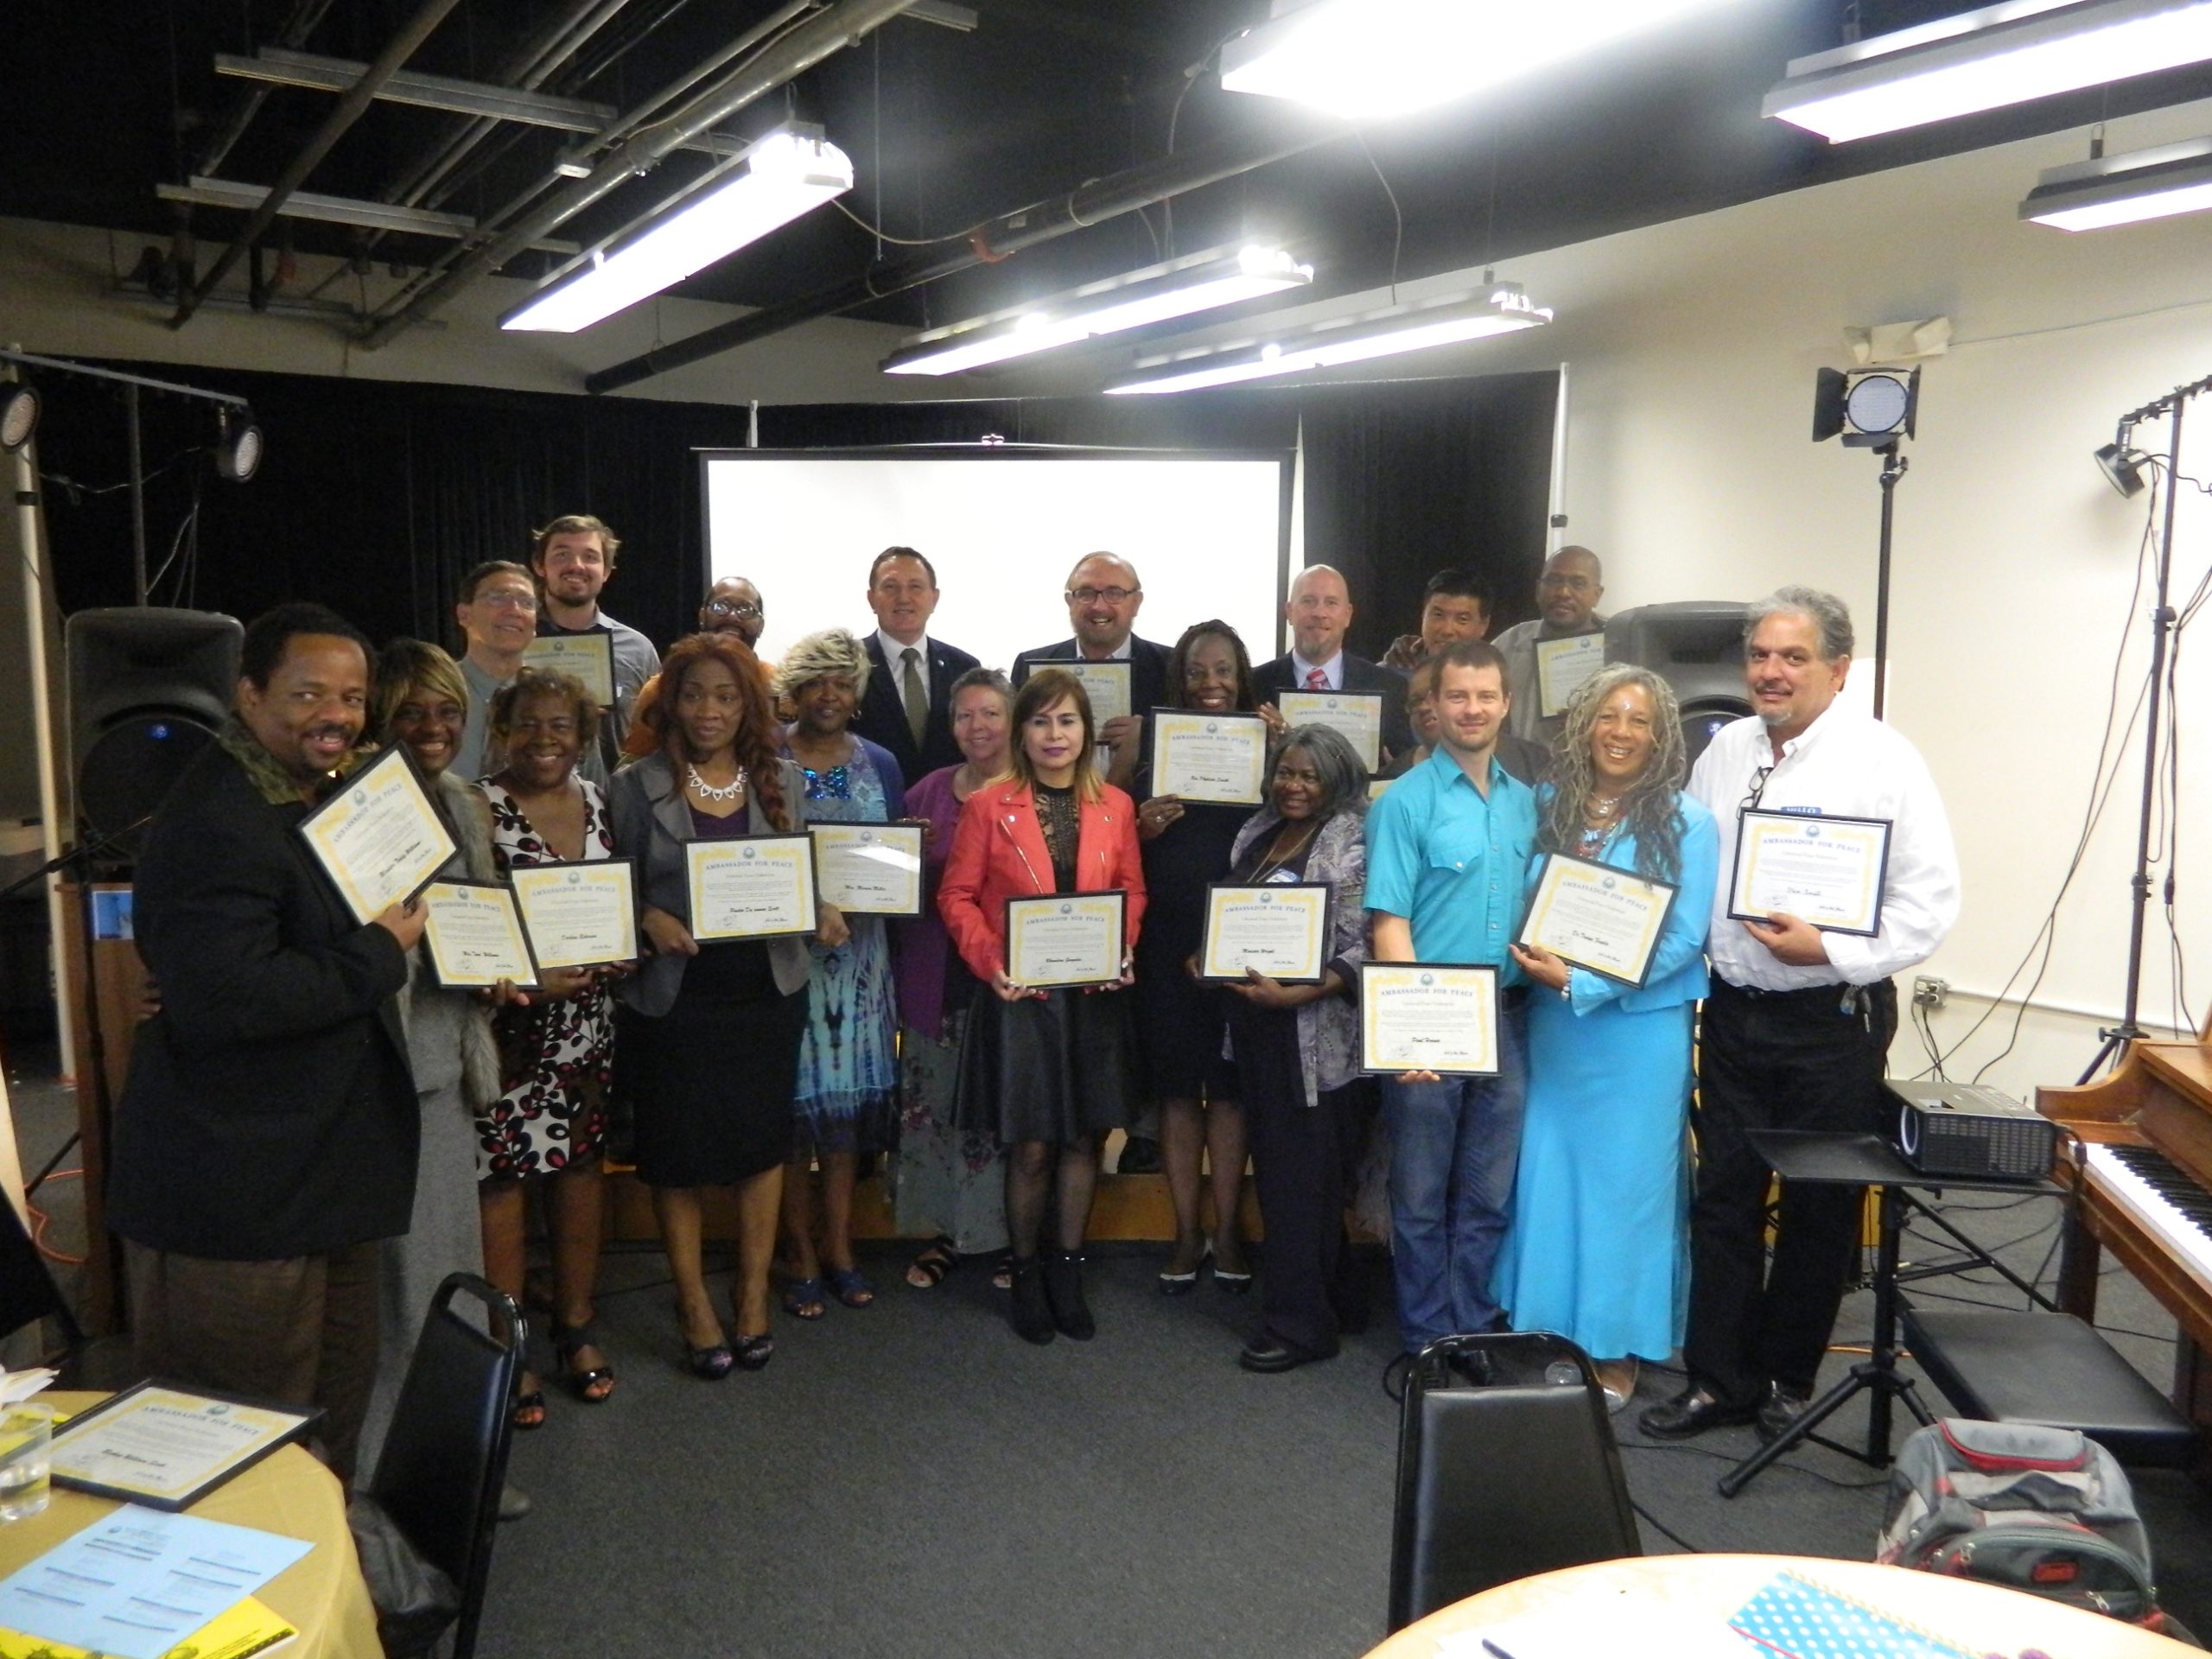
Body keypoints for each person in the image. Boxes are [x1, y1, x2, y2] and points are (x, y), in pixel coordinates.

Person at [109, 602, 421, 1484]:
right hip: (238, 1192)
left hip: (323, 1173)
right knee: (235, 1443)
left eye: (352, 697)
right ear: (248, 695)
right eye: (308, 694)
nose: (336, 715)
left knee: (328, 1418)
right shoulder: (217, 816)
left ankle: (333, 1562)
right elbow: (236, 998)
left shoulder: (313, 797)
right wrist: (380, 950)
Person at [1641, 586, 1959, 1442]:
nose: (1771, 673)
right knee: (1724, 1196)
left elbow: (1928, 905)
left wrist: (1830, 949)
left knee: (1819, 1204)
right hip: (1734, 1013)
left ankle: (1787, 1376)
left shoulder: (1884, 762)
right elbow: (1690, 868)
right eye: (1759, 656)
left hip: (1832, 1018)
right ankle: (1717, 1379)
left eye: (1793, 657)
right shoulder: (1724, 750)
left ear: (1838, 670)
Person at [610, 632, 848, 1376]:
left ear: (748, 705)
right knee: (675, 1154)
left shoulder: (783, 778)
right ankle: (693, 1303)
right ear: (670, 703)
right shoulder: (632, 784)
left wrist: (821, 907)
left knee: (760, 1147)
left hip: (765, 991)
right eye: (693, 695)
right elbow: (613, 886)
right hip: (674, 996)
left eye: (725, 695)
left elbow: (794, 873)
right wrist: (648, 917)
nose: (708, 710)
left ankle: (750, 1296)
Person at [1494, 665, 1720, 1411]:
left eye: (1640, 721)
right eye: (1609, 716)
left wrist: (1582, 982)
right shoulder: (1549, 804)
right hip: (1556, 1030)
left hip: (1636, 1037)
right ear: (1585, 723)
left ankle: (1616, 1346)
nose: (1621, 733)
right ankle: (1553, 1328)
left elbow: (1683, 938)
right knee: (1551, 1175)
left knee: (1628, 1191)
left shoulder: (1689, 822)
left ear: (1661, 737)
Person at [940, 669, 1146, 1344]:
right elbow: (956, 897)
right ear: (1021, 732)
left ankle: (1068, 1271)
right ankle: (1026, 1271)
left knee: (1086, 1138)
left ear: (1087, 731)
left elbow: (1131, 890)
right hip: (1021, 996)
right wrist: (990, 962)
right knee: (1031, 1147)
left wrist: (1121, 946)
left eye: (1067, 721)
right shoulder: (987, 807)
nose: (1055, 735)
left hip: (1092, 996)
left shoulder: (1116, 805)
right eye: (1040, 721)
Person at [1363, 639, 1539, 1362]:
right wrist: (1410, 1036)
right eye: (1457, 695)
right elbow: (1389, 923)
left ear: (1506, 704)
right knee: (1421, 1193)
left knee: (1488, 1193)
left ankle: (1472, 1324)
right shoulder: (1404, 802)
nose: (1472, 709)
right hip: (1431, 1019)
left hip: (1509, 1020)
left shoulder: (1527, 804)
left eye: (1485, 696)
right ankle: (1428, 1338)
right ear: (1434, 705)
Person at [358, 640, 505, 1466]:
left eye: (448, 711)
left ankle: (451, 1472)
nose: (433, 728)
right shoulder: (357, 812)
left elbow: (472, 929)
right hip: (388, 1075)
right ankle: (385, 1484)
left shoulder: (460, 803)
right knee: (400, 1298)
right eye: (410, 713)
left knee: (454, 1277)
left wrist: (499, 972)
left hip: (447, 1066)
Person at [477, 668, 626, 1423]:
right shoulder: (476, 806)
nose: (545, 738)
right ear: (503, 731)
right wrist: (525, 976)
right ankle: (509, 1349)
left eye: (560, 725)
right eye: (528, 723)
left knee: (580, 1171)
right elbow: (461, 920)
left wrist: (622, 946)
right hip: (509, 1030)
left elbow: (615, 901)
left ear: (582, 735)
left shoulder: (598, 800)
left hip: (587, 1027)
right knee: (502, 1184)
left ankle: (576, 1326)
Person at [1217, 724, 1373, 1372]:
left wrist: (1298, 995)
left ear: (1336, 779)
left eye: (1310, 775)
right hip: (1259, 1031)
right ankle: (1331, 1301)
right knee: (1291, 1177)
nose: (1295, 785)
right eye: (1286, 772)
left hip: (1315, 1041)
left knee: (1300, 1184)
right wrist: (1208, 954)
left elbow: (1365, 944)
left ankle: (1300, 1328)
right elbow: (1235, 915)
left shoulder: (1351, 840)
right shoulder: (1257, 831)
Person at [1011, 551, 1173, 1173]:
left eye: (1113, 593)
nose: (1099, 605)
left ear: (1137, 601)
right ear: (1068, 600)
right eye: (1086, 593)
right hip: (1046, 865)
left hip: (1145, 857)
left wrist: (1145, 741)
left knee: (1136, 1007)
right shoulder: (1033, 665)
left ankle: (1140, 1129)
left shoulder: (1166, 667)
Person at [772, 629, 906, 1319]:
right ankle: (798, 1250)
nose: (828, 695)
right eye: (815, 682)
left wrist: (908, 858)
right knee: (795, 1120)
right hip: (788, 963)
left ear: (856, 693)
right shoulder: (764, 756)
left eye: (841, 682)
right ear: (794, 690)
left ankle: (841, 1246)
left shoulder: (880, 762)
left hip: (861, 965)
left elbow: (895, 855)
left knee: (847, 1119)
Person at [1134, 621, 1269, 1295]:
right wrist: (1142, 827)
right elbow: (1120, 855)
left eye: (1222, 670)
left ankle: (1229, 1230)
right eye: (1196, 672)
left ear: (1241, 676)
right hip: (1167, 945)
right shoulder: (1152, 760)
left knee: (1233, 1093)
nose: (1210, 683)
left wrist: (1279, 749)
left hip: (1242, 942)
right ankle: (1187, 1230)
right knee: (1179, 1091)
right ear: (1179, 680)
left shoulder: (1269, 755)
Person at [893, 668, 1014, 1291]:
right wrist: (903, 855)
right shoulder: (926, 792)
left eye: (990, 713)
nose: (977, 726)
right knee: (937, 1108)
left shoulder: (1034, 789)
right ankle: (948, 1231)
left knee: (1003, 1111)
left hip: (1008, 978)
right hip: (935, 975)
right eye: (965, 715)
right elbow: (887, 882)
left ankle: (1010, 1237)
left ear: (1012, 720)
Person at [531, 513, 662, 784]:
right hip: (532, 797)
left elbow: (656, 735)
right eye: (562, 555)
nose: (576, 565)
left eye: (590, 557)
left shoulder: (638, 649)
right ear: (539, 566)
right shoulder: (518, 643)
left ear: (606, 572)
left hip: (620, 801)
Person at [1252, 563, 1414, 763]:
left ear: (1347, 615)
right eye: (1308, 601)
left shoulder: (1390, 687)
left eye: (1331, 603)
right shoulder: (1253, 685)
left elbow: (1405, 764)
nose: (1319, 613)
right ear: (1289, 612)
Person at [852, 546, 981, 784]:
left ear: (934, 598)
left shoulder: (965, 668)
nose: (903, 598)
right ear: (871, 598)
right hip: (873, 800)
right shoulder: (848, 665)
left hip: (947, 800)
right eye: (890, 587)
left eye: (915, 587)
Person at [623, 576, 767, 760]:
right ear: (702, 616)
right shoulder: (661, 688)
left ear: (760, 625)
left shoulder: (776, 683)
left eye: (745, 610)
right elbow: (635, 761)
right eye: (721, 606)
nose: (732, 616)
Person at [1493, 546, 1607, 748]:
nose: (1563, 592)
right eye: (1554, 580)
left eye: (1578, 583)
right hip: (1519, 765)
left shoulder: (1620, 648)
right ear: (1538, 589)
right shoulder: (1508, 644)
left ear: (1597, 594)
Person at [1385, 655, 1548, 789]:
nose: (1424, 707)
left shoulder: (1533, 761)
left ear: (1505, 704)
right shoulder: (1393, 779)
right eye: (1416, 701)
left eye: (1457, 697)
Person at [452, 560, 539, 780]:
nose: (515, 610)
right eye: (498, 598)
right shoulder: (436, 694)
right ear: (464, 615)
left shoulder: (559, 699)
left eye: (527, 603)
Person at [1382, 568, 1491, 671]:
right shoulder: (1392, 673)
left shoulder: (1494, 677)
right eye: (1438, 615)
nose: (1447, 630)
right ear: (1423, 615)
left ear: (1483, 625)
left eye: (1462, 619)